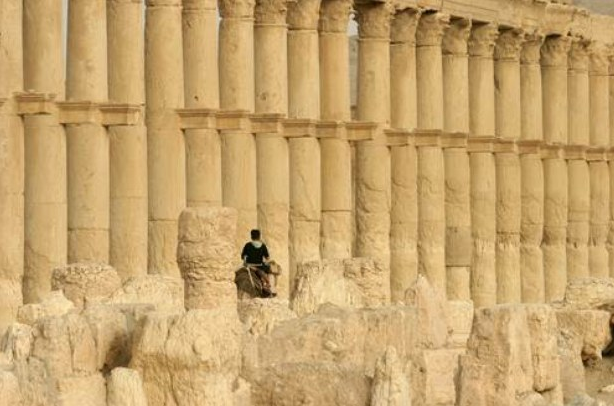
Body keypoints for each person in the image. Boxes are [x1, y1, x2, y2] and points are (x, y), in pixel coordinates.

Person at [241, 229, 274, 296]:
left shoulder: (247, 245)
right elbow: (267, 257)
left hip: (249, 265)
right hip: (259, 265)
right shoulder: (263, 246)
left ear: (251, 236)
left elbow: (243, 256)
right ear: (259, 236)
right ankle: (268, 285)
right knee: (269, 268)